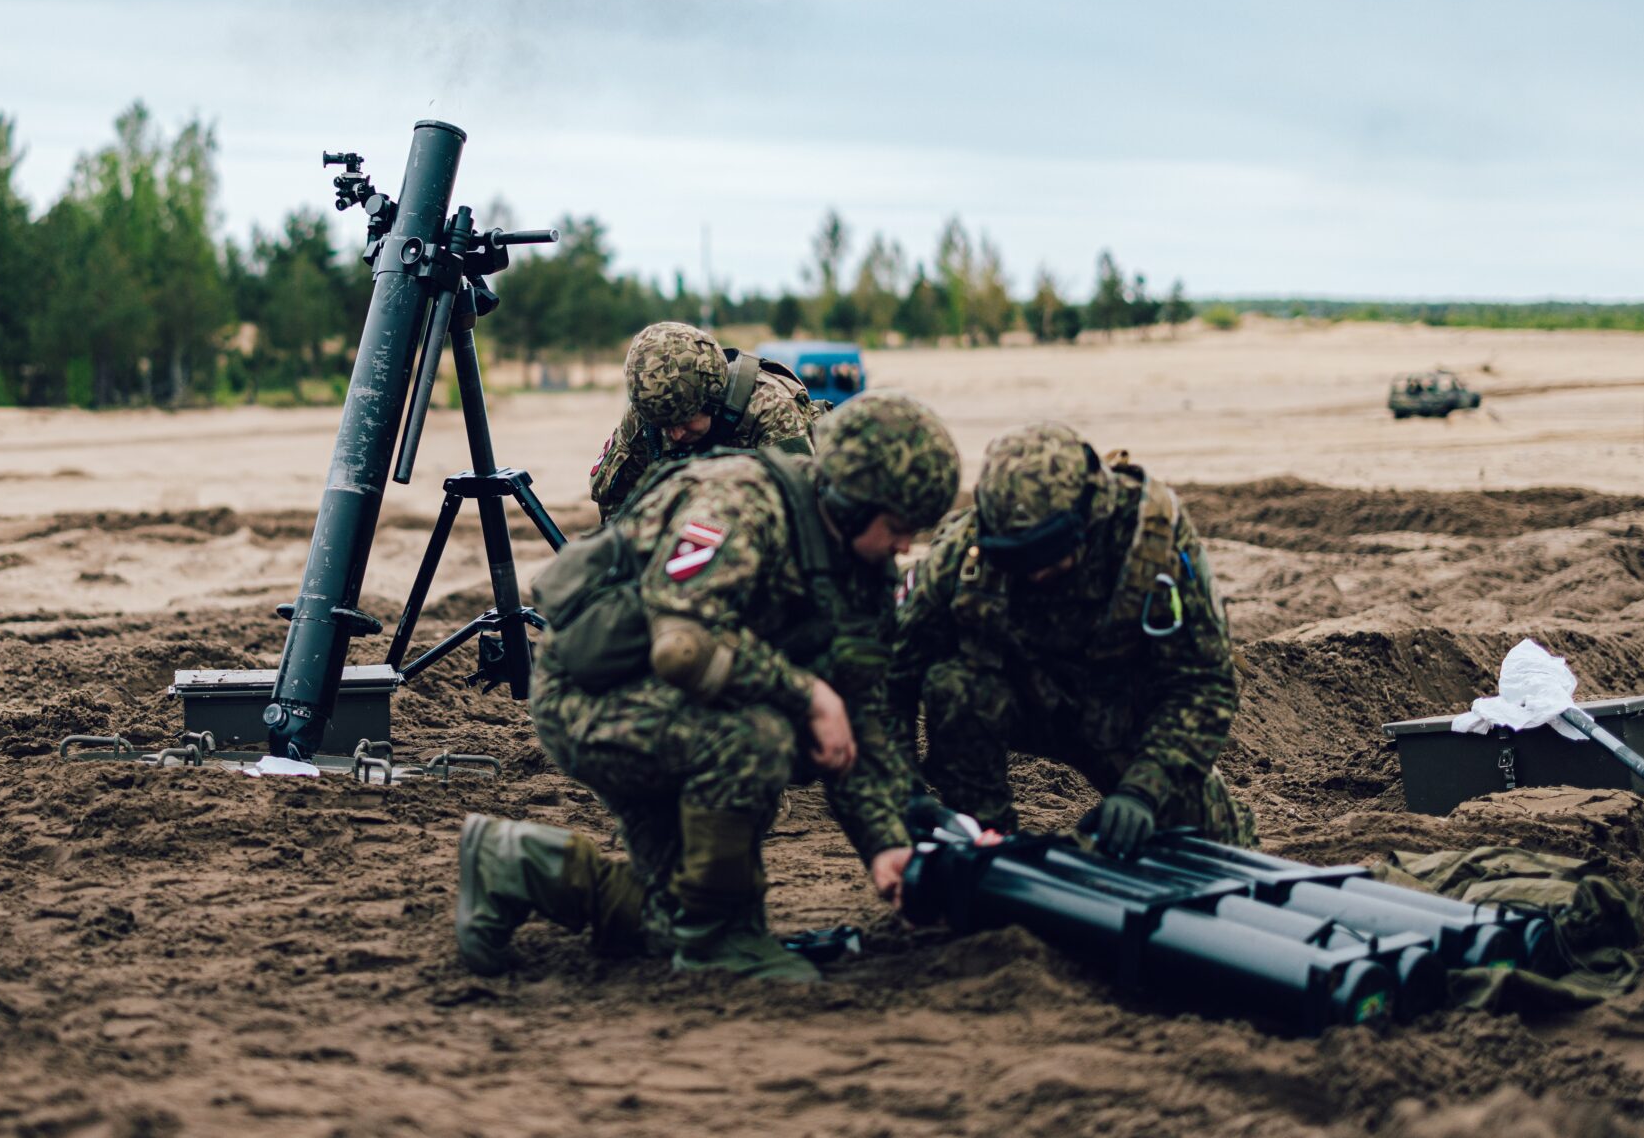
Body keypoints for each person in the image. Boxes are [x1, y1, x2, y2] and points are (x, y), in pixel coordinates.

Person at [460, 389, 961, 982]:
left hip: (681, 709)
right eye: (898, 527)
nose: (906, 547)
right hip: (595, 701)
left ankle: (514, 863)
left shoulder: (861, 569)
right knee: (758, 736)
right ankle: (724, 940)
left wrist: (886, 845)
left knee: (672, 911)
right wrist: (808, 695)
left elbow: (861, 718)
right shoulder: (741, 501)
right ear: (852, 503)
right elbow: (684, 645)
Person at [891, 420, 1255, 858]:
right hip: (1015, 696)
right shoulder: (968, 549)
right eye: (1014, 557)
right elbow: (894, 672)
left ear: (1089, 511)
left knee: (1219, 848)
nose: (1033, 572)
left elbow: (1205, 684)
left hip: (1121, 711)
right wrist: (904, 792)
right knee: (954, 685)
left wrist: (1143, 789)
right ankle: (988, 848)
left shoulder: (1152, 539)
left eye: (1047, 552)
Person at [587, 321, 819, 521]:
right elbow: (614, 501)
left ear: (714, 400)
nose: (676, 435)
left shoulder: (771, 408)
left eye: (684, 421)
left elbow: (804, 509)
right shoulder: (648, 412)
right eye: (665, 427)